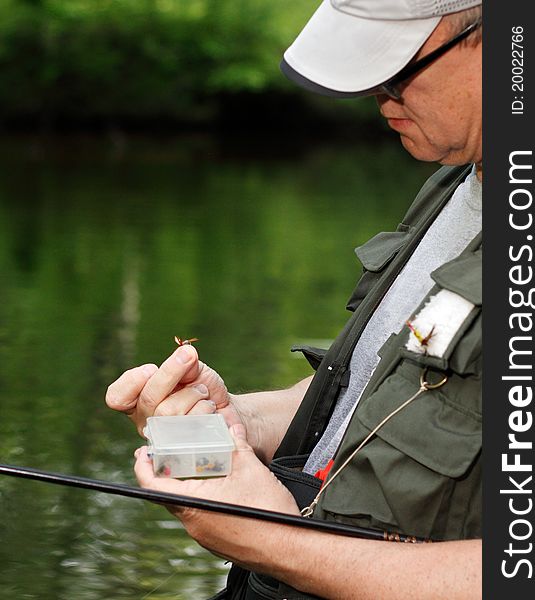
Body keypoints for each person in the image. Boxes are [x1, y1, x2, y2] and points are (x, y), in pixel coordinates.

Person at [106, 1, 483, 598]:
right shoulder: (460, 176)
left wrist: (269, 537)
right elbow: (394, 391)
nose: (377, 96)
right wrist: (234, 425)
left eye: (398, 66)